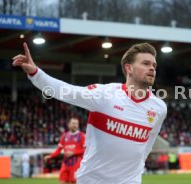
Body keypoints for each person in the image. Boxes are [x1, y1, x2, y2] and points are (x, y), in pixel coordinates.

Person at [12, 42, 167, 184]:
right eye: (146, 63)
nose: (152, 68)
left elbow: (146, 146)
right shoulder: (104, 95)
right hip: (93, 180)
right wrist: (36, 73)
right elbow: (65, 91)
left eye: (154, 64)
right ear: (129, 68)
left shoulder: (159, 108)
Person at [44, 117, 85, 184]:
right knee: (62, 182)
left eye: (76, 124)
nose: (75, 125)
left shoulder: (82, 136)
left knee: (74, 182)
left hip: (76, 164)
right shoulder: (65, 136)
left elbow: (86, 150)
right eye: (73, 123)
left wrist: (73, 152)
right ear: (69, 124)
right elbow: (58, 150)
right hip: (65, 163)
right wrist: (50, 156)